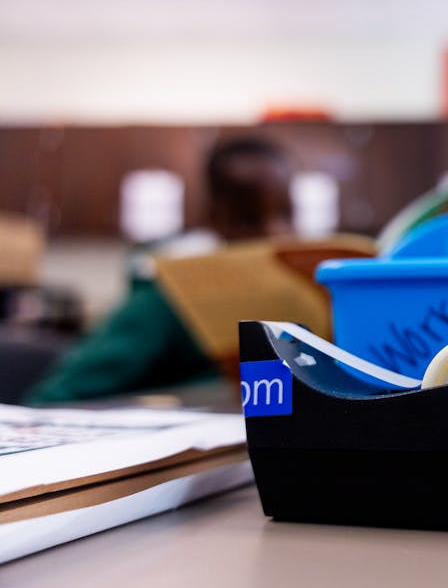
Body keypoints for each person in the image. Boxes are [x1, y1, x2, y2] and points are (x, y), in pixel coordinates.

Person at [23, 136, 295, 404]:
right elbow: (54, 397)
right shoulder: (165, 296)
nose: (274, 233)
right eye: (248, 219)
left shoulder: (299, 287)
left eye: (286, 214)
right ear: (212, 218)